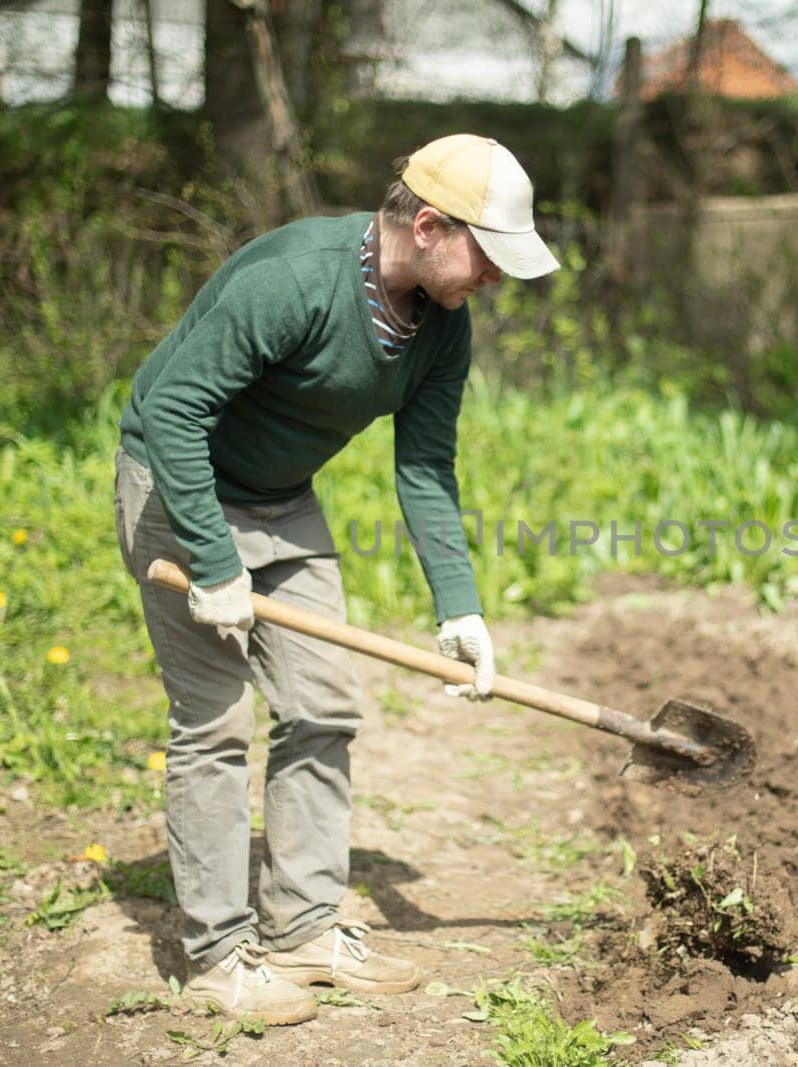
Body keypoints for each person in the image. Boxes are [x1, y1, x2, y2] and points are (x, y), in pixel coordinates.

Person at [113, 134, 559, 1025]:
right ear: (429, 226)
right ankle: (217, 956)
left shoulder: (442, 327)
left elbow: (426, 464)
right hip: (178, 485)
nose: (496, 283)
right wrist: (211, 559)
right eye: (489, 258)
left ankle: (305, 928)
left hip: (281, 498)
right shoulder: (296, 278)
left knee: (323, 705)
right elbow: (172, 409)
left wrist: (460, 606)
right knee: (215, 722)